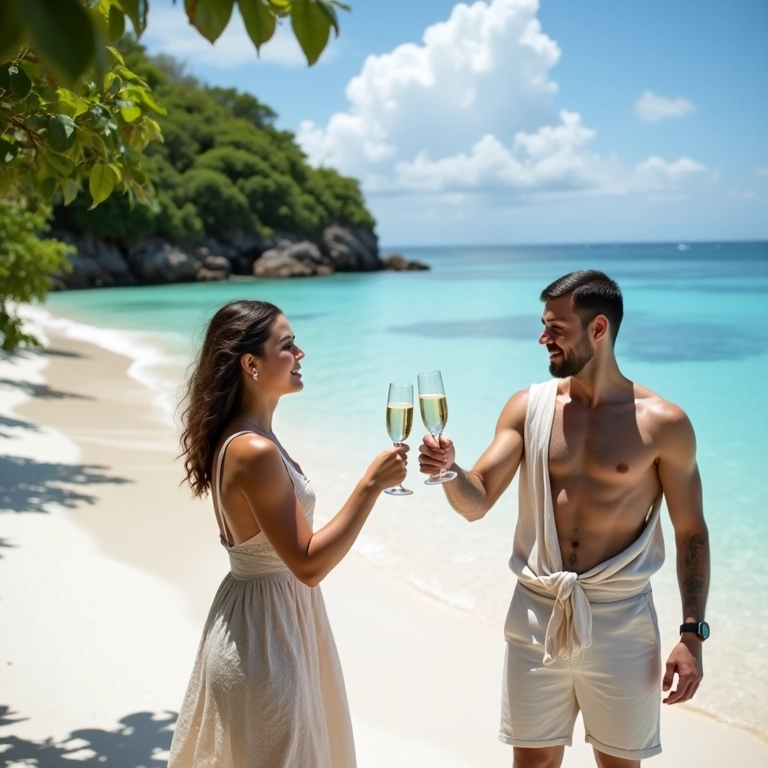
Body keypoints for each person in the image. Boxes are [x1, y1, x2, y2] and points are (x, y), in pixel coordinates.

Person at [418, 270, 710, 768]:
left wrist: (692, 634)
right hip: (538, 612)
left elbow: (691, 533)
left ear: (598, 329)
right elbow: (477, 501)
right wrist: (450, 472)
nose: (542, 338)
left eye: (556, 328)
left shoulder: (663, 423)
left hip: (621, 621)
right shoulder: (528, 408)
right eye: (543, 325)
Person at [168, 299, 408, 768]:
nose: (302, 354)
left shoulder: (248, 436)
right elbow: (309, 563)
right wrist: (371, 485)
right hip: (265, 641)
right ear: (251, 364)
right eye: (289, 344)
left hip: (265, 621)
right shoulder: (254, 449)